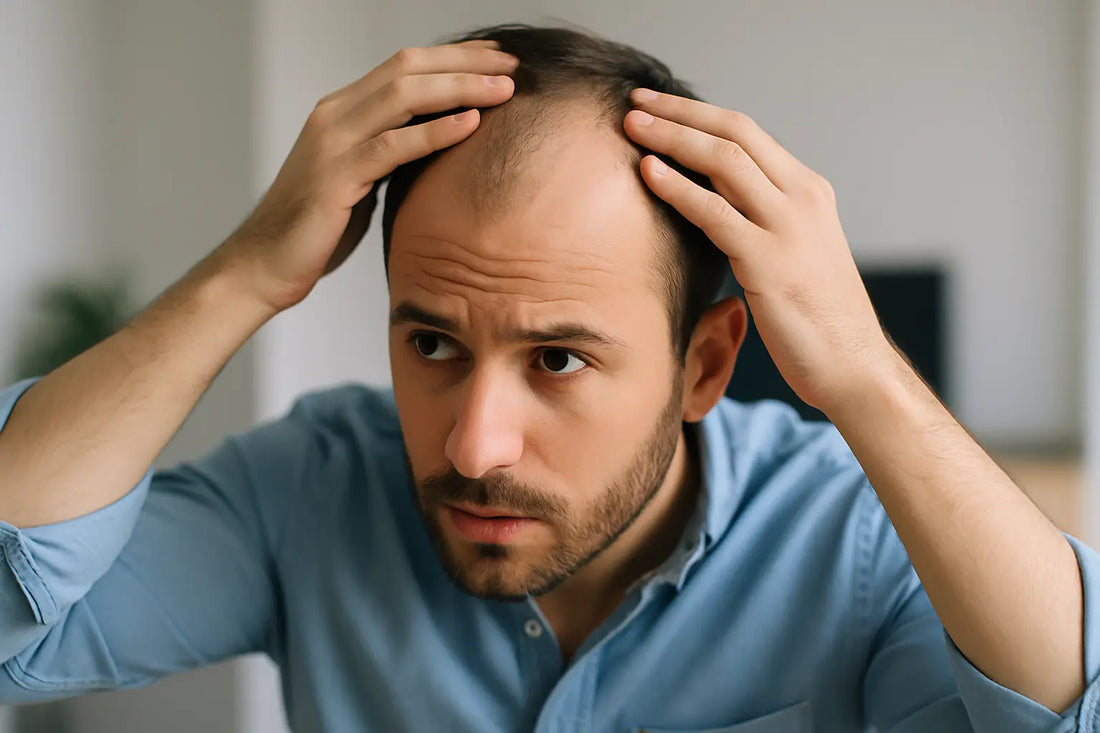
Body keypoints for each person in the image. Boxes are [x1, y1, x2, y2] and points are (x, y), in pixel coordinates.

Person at [0, 23, 1095, 733]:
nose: (473, 446)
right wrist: (240, 275)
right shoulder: (315, 488)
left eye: (558, 359)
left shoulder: (849, 541)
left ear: (702, 362)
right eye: (431, 344)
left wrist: (859, 372)